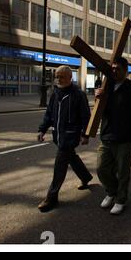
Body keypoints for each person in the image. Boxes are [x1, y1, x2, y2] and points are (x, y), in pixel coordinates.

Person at [95, 57, 131, 215]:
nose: (115, 71)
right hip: (107, 136)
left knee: (122, 171)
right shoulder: (107, 87)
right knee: (101, 168)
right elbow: (101, 112)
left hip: (125, 138)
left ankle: (120, 199)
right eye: (113, 69)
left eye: (118, 69)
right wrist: (98, 97)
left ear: (126, 70)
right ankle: (112, 192)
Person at [37, 65, 92, 212]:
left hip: (70, 135)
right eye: (57, 76)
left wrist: (85, 134)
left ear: (70, 78)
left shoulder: (78, 94)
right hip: (59, 135)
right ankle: (86, 177)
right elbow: (49, 114)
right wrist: (42, 129)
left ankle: (52, 197)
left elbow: (85, 116)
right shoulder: (55, 94)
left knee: (60, 165)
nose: (58, 79)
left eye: (61, 76)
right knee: (71, 157)